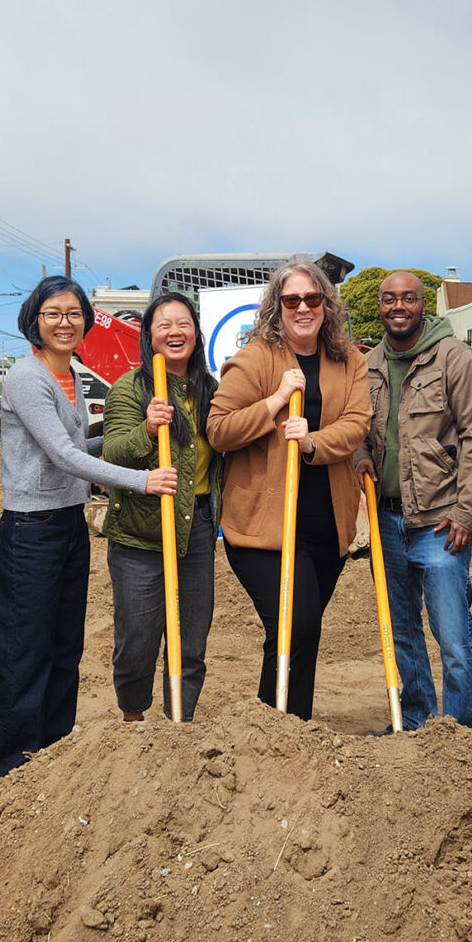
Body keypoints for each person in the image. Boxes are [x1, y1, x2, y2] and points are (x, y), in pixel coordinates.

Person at [0, 275, 177, 775]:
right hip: (31, 530)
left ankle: (53, 754)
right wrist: (143, 480)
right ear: (34, 319)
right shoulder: (28, 376)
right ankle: (14, 765)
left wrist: (142, 433)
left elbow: (77, 449)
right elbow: (63, 456)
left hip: (68, 524)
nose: (64, 322)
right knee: (26, 649)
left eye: (74, 313)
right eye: (53, 313)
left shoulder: (70, 372)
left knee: (65, 646)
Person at [208, 261, 370, 720]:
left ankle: (284, 729)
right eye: (292, 299)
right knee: (295, 627)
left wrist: (313, 442)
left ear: (326, 304)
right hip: (265, 529)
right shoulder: (257, 357)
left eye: (312, 298)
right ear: (276, 307)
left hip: (326, 527)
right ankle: (277, 729)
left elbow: (357, 423)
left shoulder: (349, 360)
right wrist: (275, 402)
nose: (303, 308)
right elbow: (219, 429)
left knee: (300, 634)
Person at [353, 271, 472, 731]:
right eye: (389, 299)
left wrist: (466, 512)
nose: (398, 307)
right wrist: (359, 456)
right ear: (380, 306)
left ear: (423, 305)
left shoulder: (454, 358)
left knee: (451, 634)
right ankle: (414, 718)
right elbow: (358, 427)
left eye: (408, 298)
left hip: (440, 521)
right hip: (387, 520)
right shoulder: (369, 364)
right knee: (401, 630)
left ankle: (458, 730)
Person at [102, 292, 221, 722]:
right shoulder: (130, 389)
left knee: (190, 641)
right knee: (137, 639)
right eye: (164, 324)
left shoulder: (211, 390)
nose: (175, 331)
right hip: (140, 533)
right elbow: (112, 456)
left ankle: (179, 725)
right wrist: (149, 431)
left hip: (197, 529)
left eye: (184, 323)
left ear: (196, 333)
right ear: (149, 336)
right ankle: (133, 720)